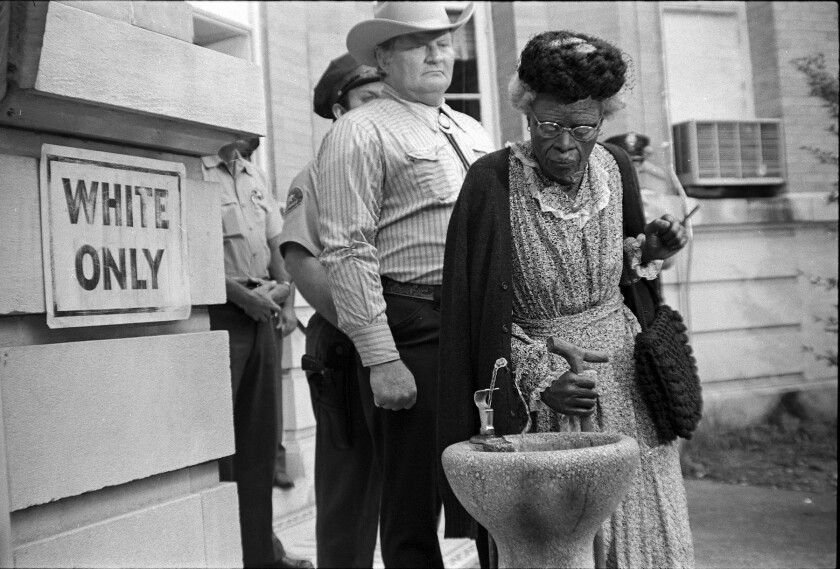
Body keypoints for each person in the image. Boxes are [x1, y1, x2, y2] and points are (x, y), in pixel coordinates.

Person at [437, 30, 695, 569]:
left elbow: (626, 271)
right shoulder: (490, 182)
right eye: (549, 126)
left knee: (643, 520)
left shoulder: (616, 167)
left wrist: (652, 247)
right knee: (560, 539)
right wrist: (539, 379)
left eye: (583, 127)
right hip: (548, 399)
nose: (563, 144)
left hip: (628, 384)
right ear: (525, 110)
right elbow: (476, 312)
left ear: (605, 117)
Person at [316, 2, 494, 566]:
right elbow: (345, 248)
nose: (438, 52)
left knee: (493, 485)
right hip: (413, 325)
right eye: (418, 42)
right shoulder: (359, 130)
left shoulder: (470, 130)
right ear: (384, 58)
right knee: (412, 504)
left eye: (444, 41)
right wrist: (380, 358)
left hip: (480, 326)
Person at [278, 52, 384, 568]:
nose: (379, 110)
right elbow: (302, 261)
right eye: (367, 100)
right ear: (340, 109)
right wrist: (370, 334)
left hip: (408, 339)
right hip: (347, 345)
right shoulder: (317, 172)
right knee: (350, 487)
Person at [202, 139, 312, 569]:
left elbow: (277, 245)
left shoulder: (253, 173)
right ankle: (232, 555)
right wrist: (242, 299)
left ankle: (262, 555)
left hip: (263, 313)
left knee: (260, 446)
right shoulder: (196, 164)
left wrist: (285, 298)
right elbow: (193, 253)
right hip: (222, 316)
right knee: (224, 450)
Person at [604, 132, 698, 270]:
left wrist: (664, 245)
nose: (630, 169)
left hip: (641, 281)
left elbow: (667, 261)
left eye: (635, 162)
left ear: (642, 165)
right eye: (622, 163)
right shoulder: (599, 201)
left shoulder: (651, 201)